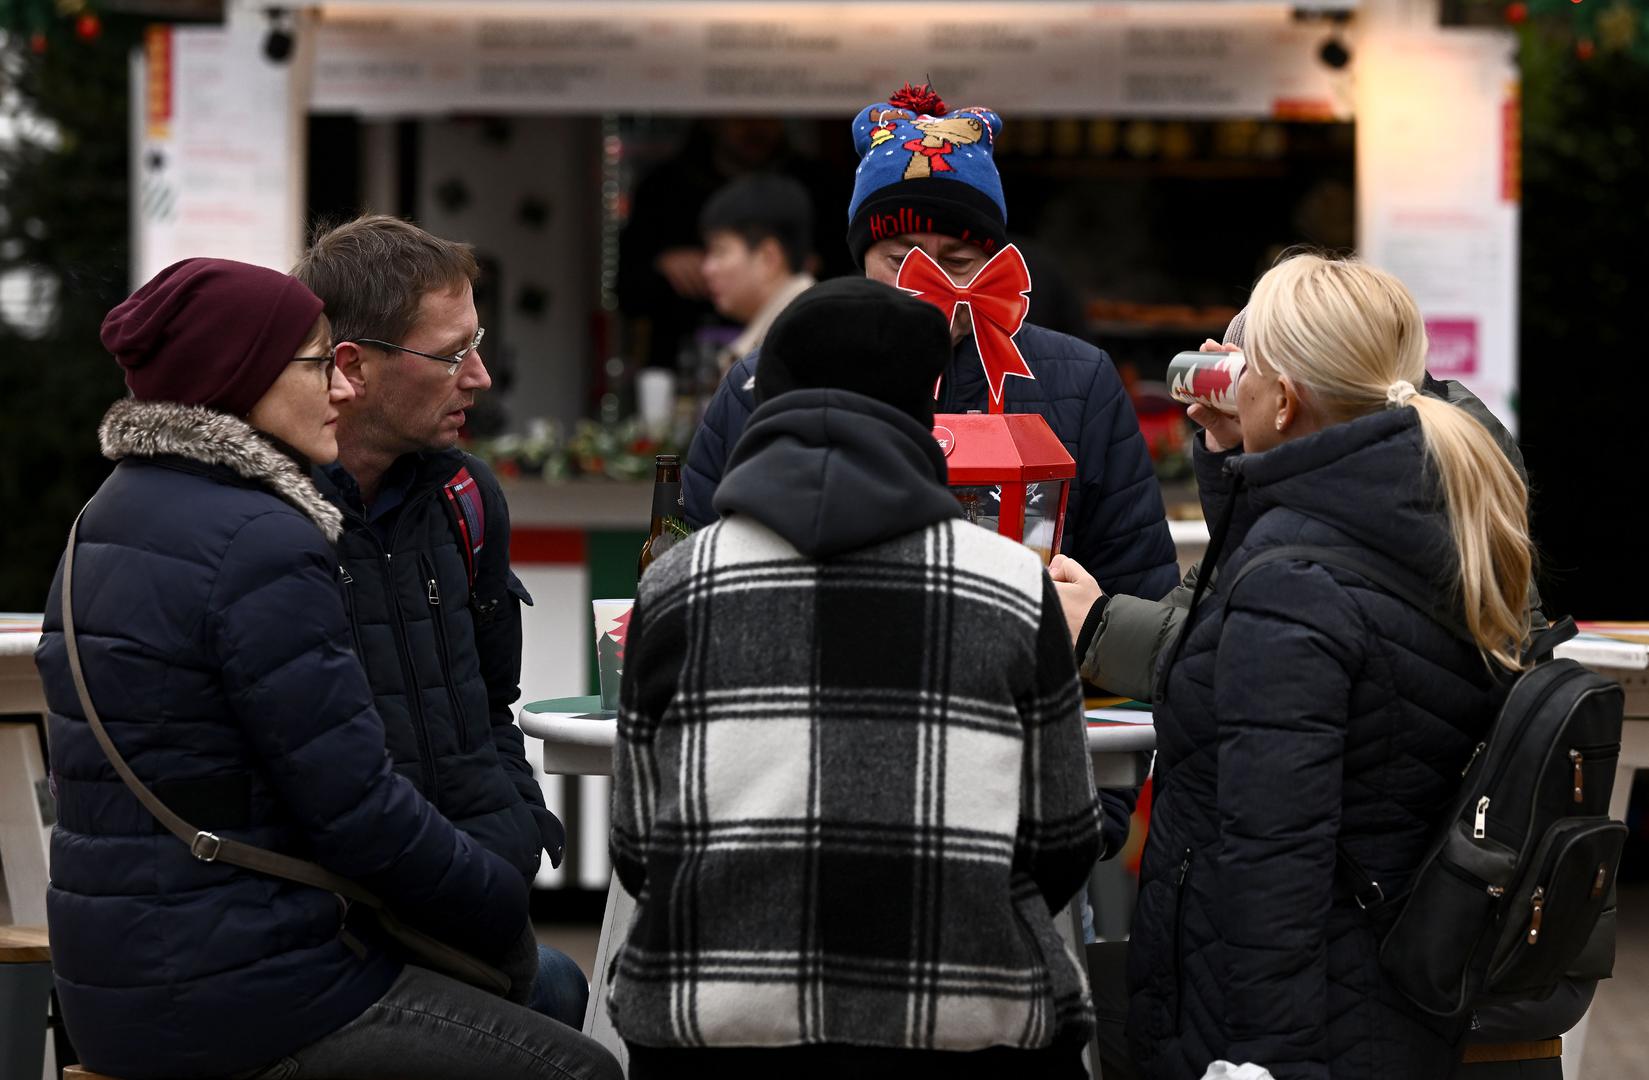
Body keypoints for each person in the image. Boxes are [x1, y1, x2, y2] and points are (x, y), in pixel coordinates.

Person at [33, 258, 622, 1080]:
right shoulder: (261, 537)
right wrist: (494, 896)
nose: (339, 390)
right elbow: (357, 810)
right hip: (245, 994)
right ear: (241, 378)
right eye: (317, 365)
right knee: (584, 1065)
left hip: (128, 981)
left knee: (547, 989)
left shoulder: (104, 517)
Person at [608, 278, 1105, 1080]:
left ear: (767, 401)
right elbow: (1063, 840)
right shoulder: (1012, 585)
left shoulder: (677, 588)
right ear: (923, 409)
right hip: (963, 1029)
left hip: (710, 1033)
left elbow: (638, 847)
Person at [1122, 253, 1534, 1080]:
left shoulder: (1292, 585)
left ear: (1280, 397)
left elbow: (1273, 859)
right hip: (1377, 1000)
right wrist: (1227, 449)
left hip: (1282, 1027)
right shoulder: (1427, 506)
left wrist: (1266, 1062)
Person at [681, 84, 1180, 604]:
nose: (931, 285)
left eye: (959, 263)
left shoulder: (1081, 381)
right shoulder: (763, 383)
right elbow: (698, 573)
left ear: (993, 263)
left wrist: (1091, 614)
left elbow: (1140, 590)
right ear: (863, 257)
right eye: (902, 261)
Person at [292, 215, 586, 1026]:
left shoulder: (465, 497)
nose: (481, 376)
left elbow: (490, 699)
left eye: (477, 343)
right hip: (340, 932)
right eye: (452, 353)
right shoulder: (270, 521)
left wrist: (516, 827)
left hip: (475, 901)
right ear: (351, 365)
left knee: (564, 992)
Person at [1051, 307, 1543, 701]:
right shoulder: (1381, 480)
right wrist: (1234, 456)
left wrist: (1098, 625)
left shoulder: (1371, 507)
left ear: (1287, 401)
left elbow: (1241, 660)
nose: (1235, 399)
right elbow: (1214, 606)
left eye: (1247, 380)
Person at [700, 172, 817, 372]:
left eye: (720, 251)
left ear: (768, 258)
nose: (706, 269)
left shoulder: (793, 341)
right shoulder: (803, 319)